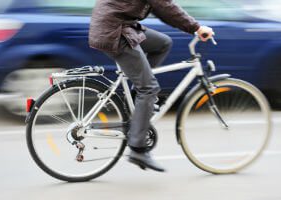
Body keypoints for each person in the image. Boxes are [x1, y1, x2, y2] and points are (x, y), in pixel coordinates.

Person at [89, 0, 214, 172]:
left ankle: (137, 102)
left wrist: (190, 26)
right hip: (115, 31)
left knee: (163, 43)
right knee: (149, 88)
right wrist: (197, 28)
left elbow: (161, 8)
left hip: (117, 25)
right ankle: (138, 150)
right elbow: (165, 6)